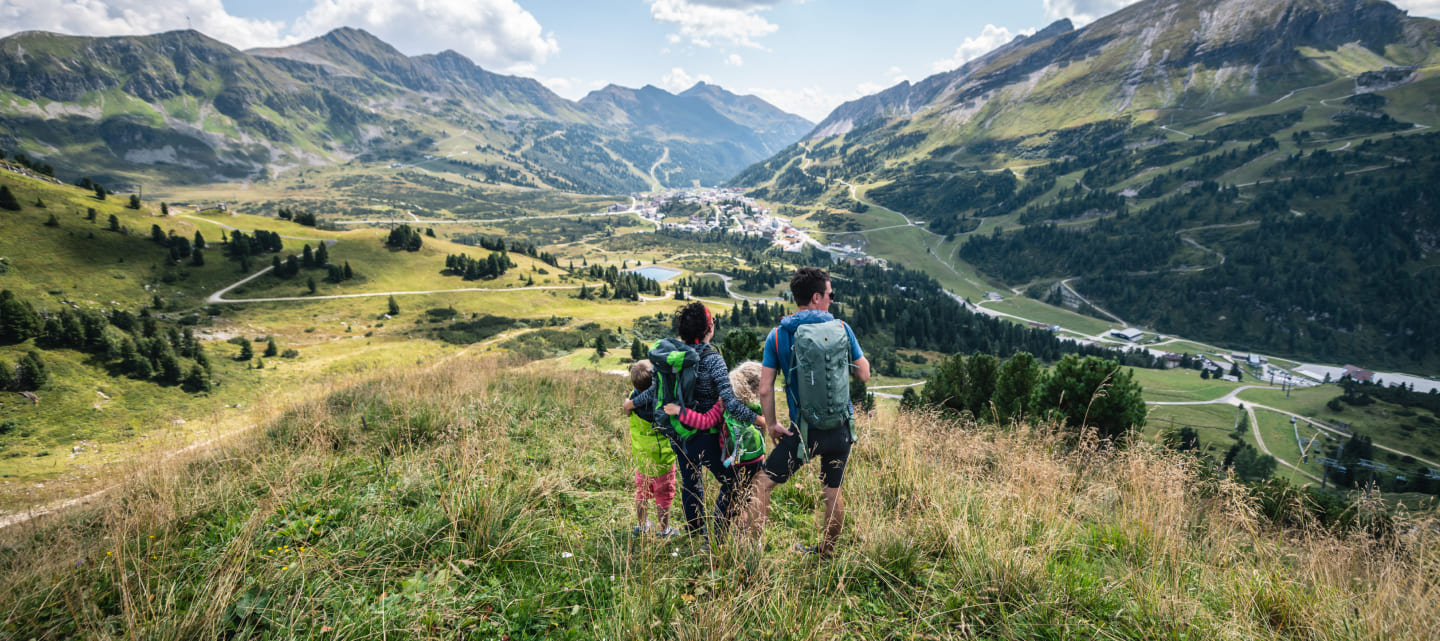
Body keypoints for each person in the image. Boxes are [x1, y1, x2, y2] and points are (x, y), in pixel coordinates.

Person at [744, 267, 869, 557]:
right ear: (816, 297)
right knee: (832, 490)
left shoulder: (778, 336)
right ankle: (827, 553)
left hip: (803, 432)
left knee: (762, 485)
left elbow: (765, 389)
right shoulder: (842, 328)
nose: (831, 300)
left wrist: (772, 424)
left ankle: (753, 553)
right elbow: (864, 374)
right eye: (830, 295)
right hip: (841, 428)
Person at [627, 302, 765, 538]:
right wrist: (758, 420)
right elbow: (731, 403)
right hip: (706, 435)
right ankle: (717, 536)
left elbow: (653, 392)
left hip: (678, 433)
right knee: (733, 483)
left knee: (691, 482)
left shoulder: (671, 358)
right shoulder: (713, 360)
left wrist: (632, 403)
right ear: (708, 329)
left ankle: (694, 532)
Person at [623, 360, 679, 537]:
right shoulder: (663, 405)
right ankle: (664, 530)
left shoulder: (631, 400)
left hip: (642, 458)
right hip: (663, 459)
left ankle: (642, 526)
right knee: (664, 495)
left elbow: (627, 410)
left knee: (642, 492)